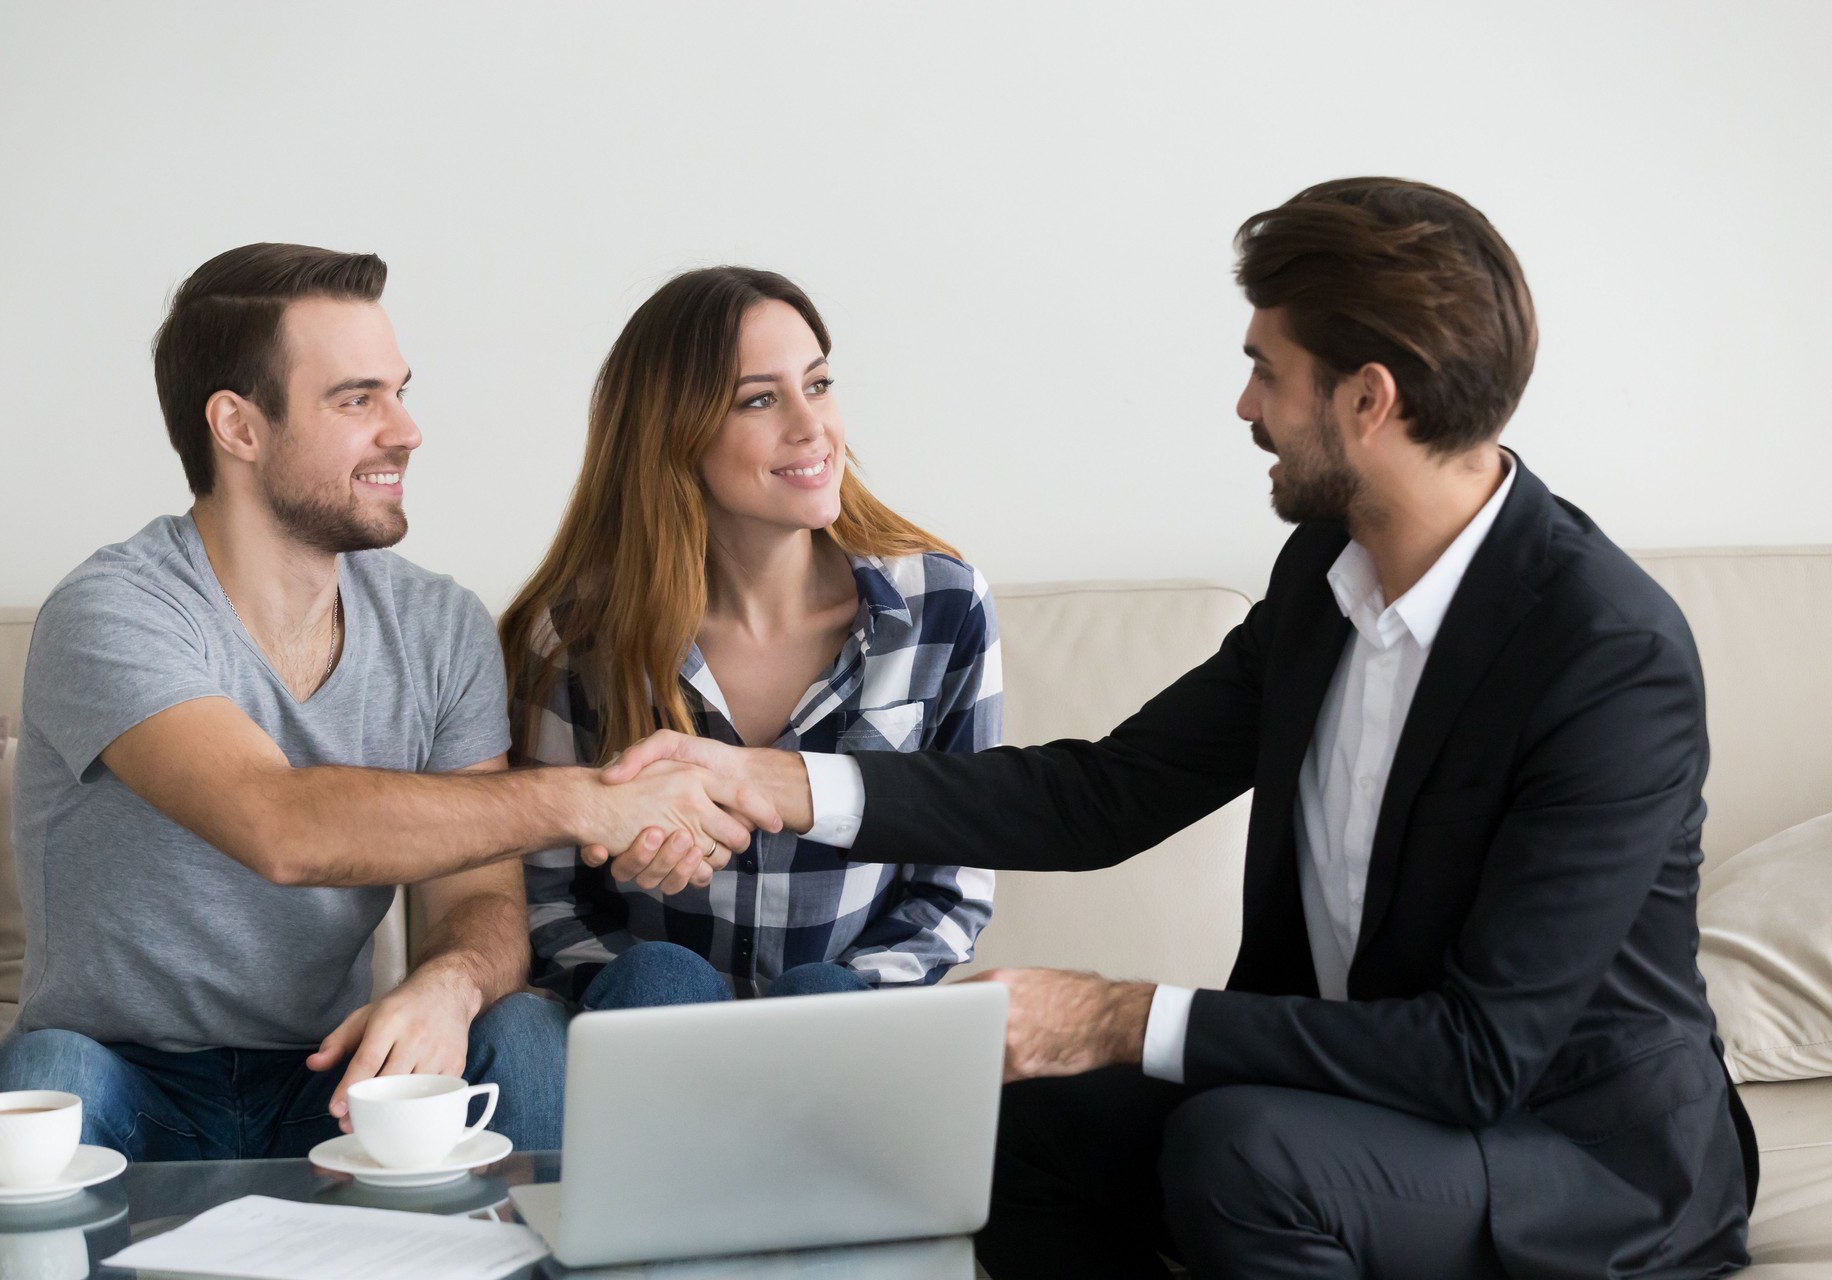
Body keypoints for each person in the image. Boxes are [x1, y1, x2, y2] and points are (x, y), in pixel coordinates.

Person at [595, 181, 1756, 1278]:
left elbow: (1477, 1054)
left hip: (1580, 1154)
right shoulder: (1327, 577)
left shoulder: (1607, 655)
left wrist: (1109, 1014)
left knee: (1244, 1151)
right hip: (1358, 1105)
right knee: (1008, 1122)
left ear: (1369, 397)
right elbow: (1103, 792)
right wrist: (778, 782)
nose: (1246, 405)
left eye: (1268, 370)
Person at [0, 244, 777, 1161]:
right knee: (49, 1080)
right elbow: (280, 826)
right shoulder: (115, 610)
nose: (406, 430)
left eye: (399, 391)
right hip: (124, 1080)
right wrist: (591, 799)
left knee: (521, 1032)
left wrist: (452, 982)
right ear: (238, 427)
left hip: (333, 1079)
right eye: (358, 400)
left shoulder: (439, 626)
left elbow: (478, 895)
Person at [500, 266, 999, 1022]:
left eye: (819, 384)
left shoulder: (944, 608)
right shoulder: (573, 640)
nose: (812, 426)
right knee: (658, 980)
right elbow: (549, 903)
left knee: (823, 997)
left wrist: (841, 1004)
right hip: (647, 1037)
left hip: (839, 1043)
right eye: (760, 400)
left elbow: (951, 890)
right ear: (674, 434)